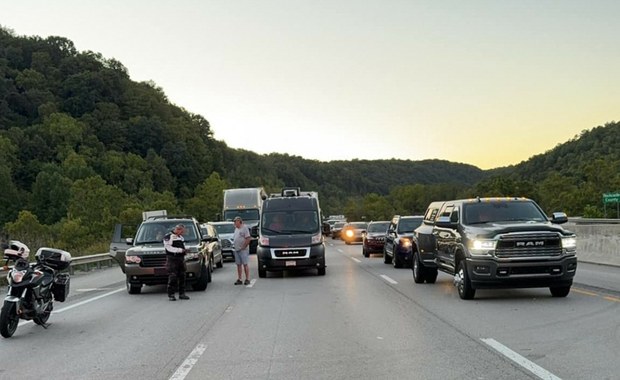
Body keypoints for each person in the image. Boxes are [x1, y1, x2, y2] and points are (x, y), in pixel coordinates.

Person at [163, 224, 190, 301]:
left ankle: (182, 294)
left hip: (181, 258)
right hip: (172, 258)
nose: (183, 233)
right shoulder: (168, 237)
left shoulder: (181, 238)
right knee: (173, 276)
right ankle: (171, 294)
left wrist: (186, 250)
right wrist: (180, 250)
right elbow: (168, 248)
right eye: (182, 231)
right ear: (178, 230)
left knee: (182, 275)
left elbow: (183, 247)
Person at [232, 216, 252, 285]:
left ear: (239, 222)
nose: (234, 223)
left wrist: (244, 246)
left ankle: (247, 279)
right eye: (234, 222)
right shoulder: (236, 229)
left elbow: (248, 238)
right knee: (238, 264)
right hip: (237, 249)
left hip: (243, 249)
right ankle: (239, 279)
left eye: (235, 221)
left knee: (245, 264)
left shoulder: (244, 228)